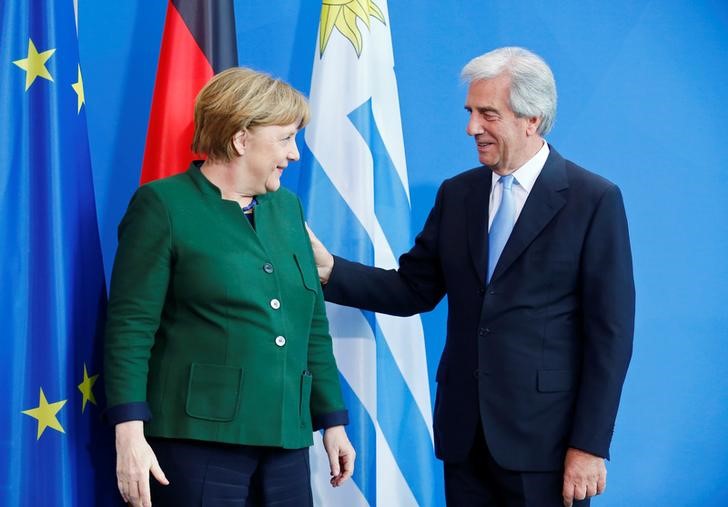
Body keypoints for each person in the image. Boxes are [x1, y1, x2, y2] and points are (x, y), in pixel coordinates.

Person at [308, 47, 634, 507]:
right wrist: (330, 270)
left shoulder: (592, 199)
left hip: (547, 444)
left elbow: (611, 335)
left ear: (531, 119)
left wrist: (590, 446)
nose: (471, 128)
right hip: (464, 436)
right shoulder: (458, 193)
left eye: (487, 114)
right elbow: (411, 289)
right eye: (470, 112)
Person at [104, 67, 355, 507]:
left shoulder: (286, 208)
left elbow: (310, 322)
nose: (294, 155)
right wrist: (129, 432)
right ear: (241, 140)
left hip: (285, 439)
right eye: (285, 138)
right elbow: (130, 327)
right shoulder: (163, 205)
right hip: (196, 440)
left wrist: (331, 420)